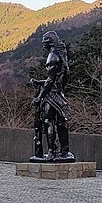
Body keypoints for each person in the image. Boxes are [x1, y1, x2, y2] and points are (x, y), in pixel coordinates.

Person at [29, 31, 74, 162]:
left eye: (45, 40)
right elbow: (57, 78)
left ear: (50, 41)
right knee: (61, 122)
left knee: (49, 122)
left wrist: (40, 96)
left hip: (51, 95)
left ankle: (51, 151)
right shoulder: (61, 57)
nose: (43, 42)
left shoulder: (52, 57)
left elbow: (50, 80)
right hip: (59, 93)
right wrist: (40, 82)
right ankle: (64, 151)